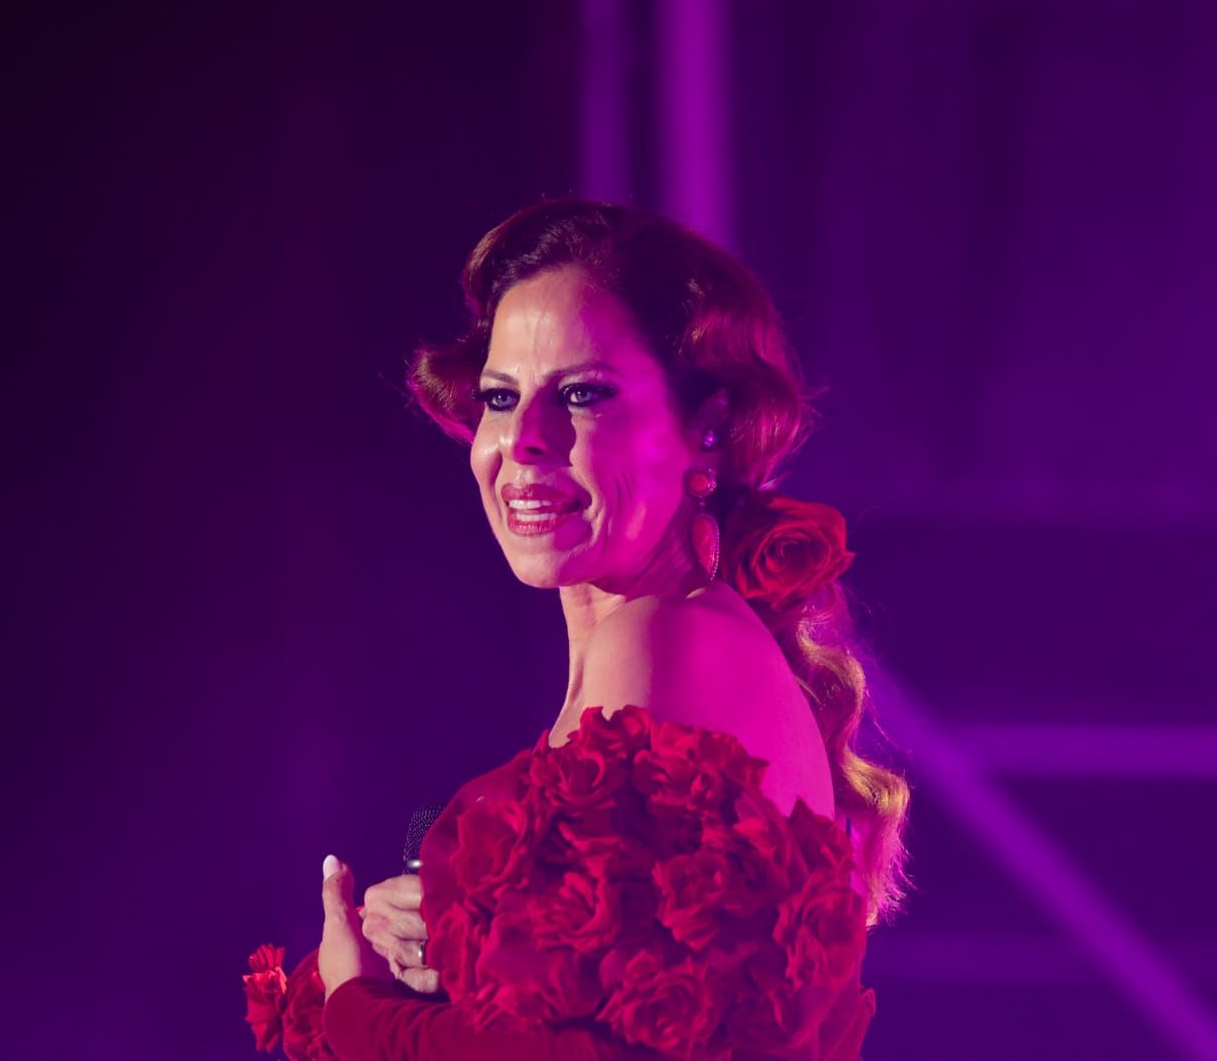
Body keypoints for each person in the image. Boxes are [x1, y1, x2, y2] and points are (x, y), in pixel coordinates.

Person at [247, 198, 909, 1060]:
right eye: (499, 396)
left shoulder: (670, 636)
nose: (524, 440)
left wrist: (358, 1005)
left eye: (584, 394)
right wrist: (442, 948)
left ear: (704, 430)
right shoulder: (646, 651)